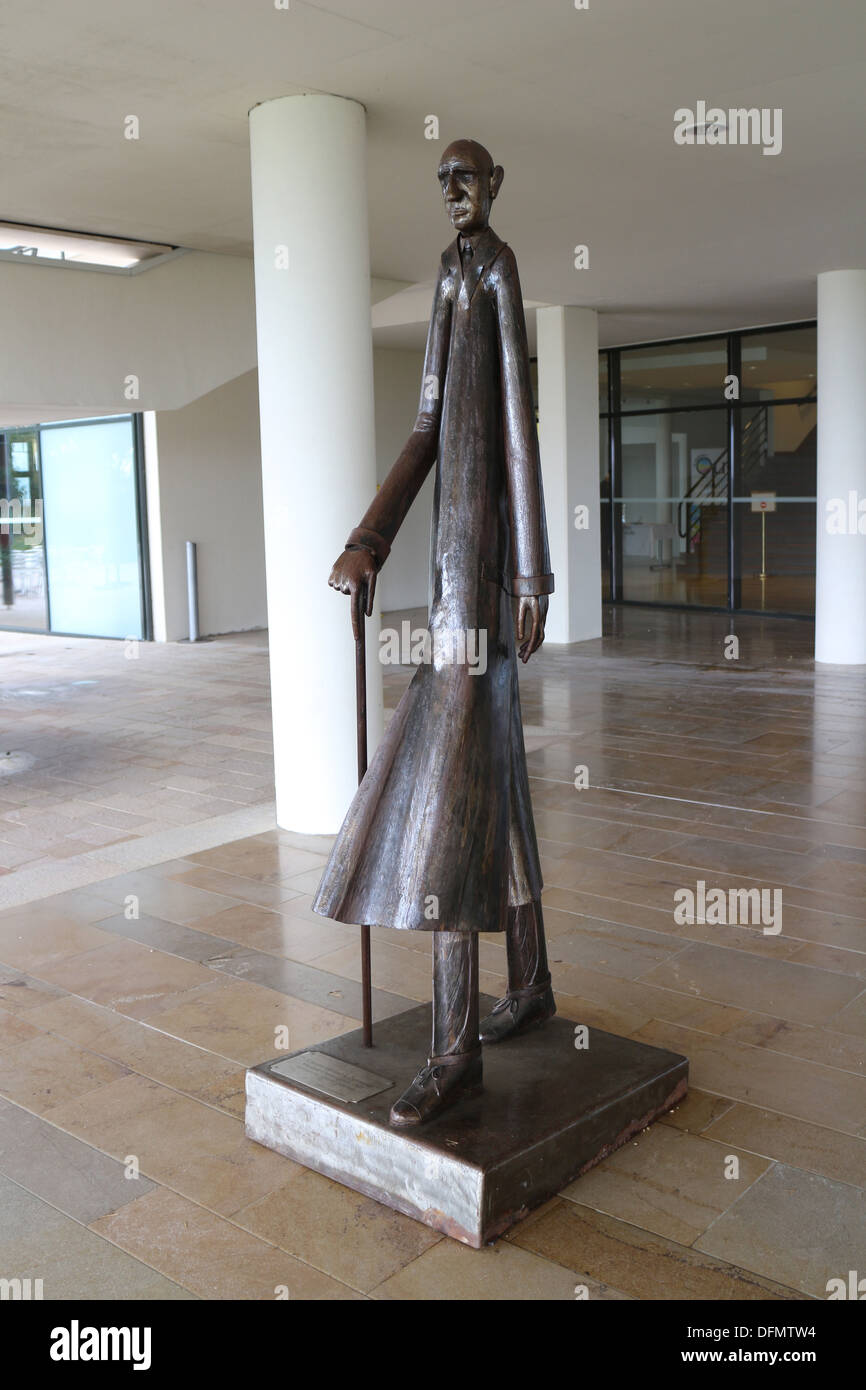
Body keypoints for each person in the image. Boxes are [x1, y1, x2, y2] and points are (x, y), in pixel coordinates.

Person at [313, 139, 556, 1126]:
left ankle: (453, 1047)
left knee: (453, 802)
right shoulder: (443, 282)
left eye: (469, 178)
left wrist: (532, 573)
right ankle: (530, 980)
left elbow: (519, 425)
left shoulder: (494, 269)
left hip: (486, 582)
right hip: (449, 577)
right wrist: (368, 537)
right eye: (443, 181)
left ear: (494, 187)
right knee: (491, 778)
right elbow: (423, 426)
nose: (455, 192)